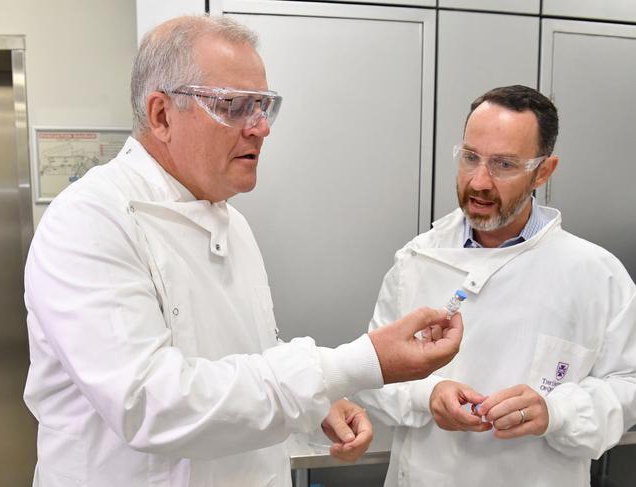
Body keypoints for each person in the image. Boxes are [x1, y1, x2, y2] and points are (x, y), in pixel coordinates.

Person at [23, 15, 463, 487]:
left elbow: (249, 357)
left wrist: (315, 405)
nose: (260, 128)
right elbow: (151, 405)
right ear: (161, 115)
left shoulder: (232, 225)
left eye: (264, 106)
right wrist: (352, 366)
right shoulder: (91, 219)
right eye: (233, 106)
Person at [354, 85, 636, 486]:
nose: (480, 181)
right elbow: (371, 373)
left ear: (544, 170)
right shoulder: (417, 260)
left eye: (504, 165)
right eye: (471, 158)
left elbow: (627, 385)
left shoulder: (596, 274)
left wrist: (556, 412)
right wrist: (428, 395)